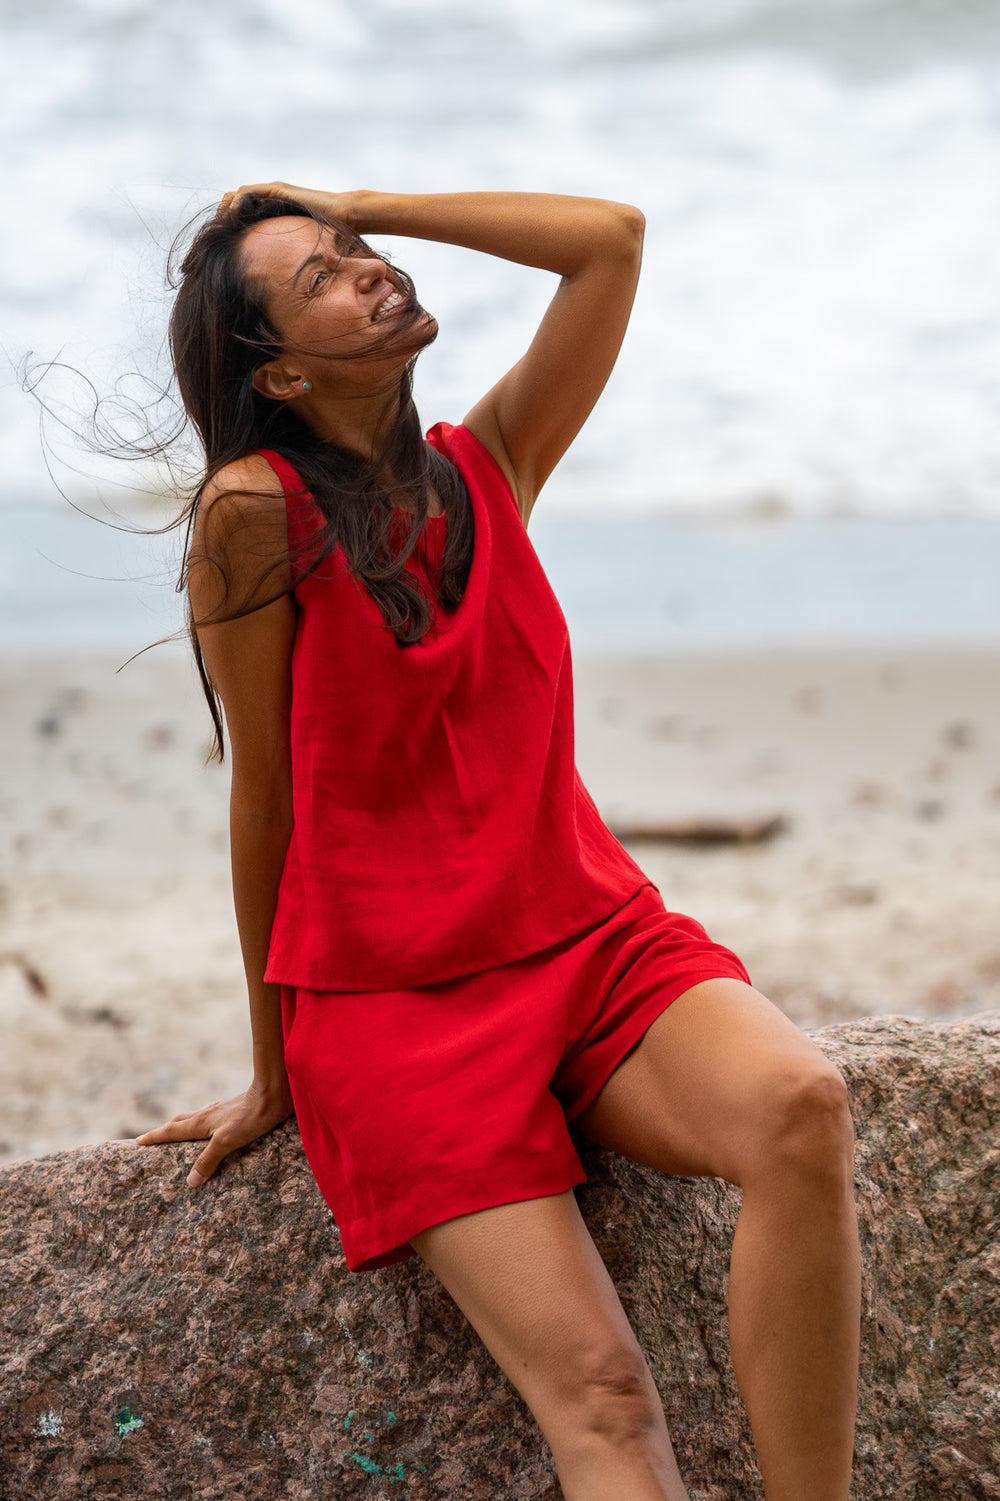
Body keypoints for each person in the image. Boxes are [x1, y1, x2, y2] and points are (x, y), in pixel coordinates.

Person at [134, 184, 861, 1501]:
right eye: (324, 277)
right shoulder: (252, 515)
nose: (367, 271)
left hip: (592, 939)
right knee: (602, 1397)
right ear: (282, 372)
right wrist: (273, 1061)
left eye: (363, 255)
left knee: (802, 1104)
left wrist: (348, 199)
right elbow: (267, 802)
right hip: (398, 1009)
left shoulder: (492, 463)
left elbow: (611, 243)